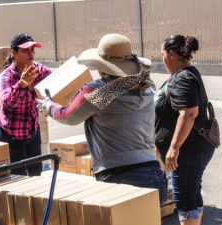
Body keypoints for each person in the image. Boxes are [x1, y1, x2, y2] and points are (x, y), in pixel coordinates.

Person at [36, 33, 168, 205]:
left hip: (121, 175)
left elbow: (68, 116)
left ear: (102, 65)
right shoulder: (146, 88)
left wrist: (48, 106)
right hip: (153, 172)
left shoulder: (101, 92)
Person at [156, 35, 215, 225]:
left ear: (172, 54)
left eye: (162, 53)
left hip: (188, 151)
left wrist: (174, 148)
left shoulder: (183, 78)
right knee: (192, 194)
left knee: (185, 200)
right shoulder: (186, 74)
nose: (162, 58)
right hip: (193, 149)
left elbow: (189, 113)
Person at [0, 33, 52, 176]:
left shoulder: (40, 70)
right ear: (13, 52)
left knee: (35, 174)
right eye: (25, 50)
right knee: (17, 179)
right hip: (11, 135)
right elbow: (7, 103)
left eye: (32, 49)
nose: (31, 53)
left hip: (32, 131)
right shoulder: (7, 76)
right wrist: (21, 85)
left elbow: (57, 83)